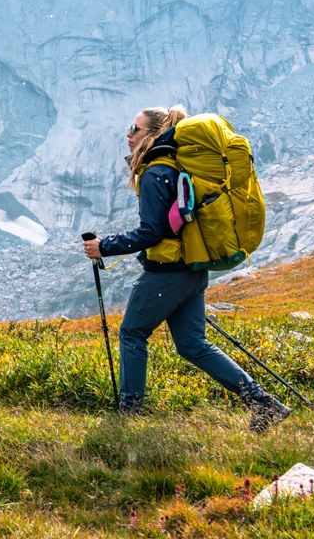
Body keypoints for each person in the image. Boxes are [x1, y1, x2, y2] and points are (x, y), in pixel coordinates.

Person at [83, 105, 290, 432]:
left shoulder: (154, 172)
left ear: (151, 133)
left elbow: (153, 231)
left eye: (134, 128)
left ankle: (129, 414)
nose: (128, 134)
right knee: (192, 344)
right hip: (193, 268)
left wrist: (103, 246)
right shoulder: (179, 166)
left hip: (167, 273)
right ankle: (262, 402)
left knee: (132, 332)